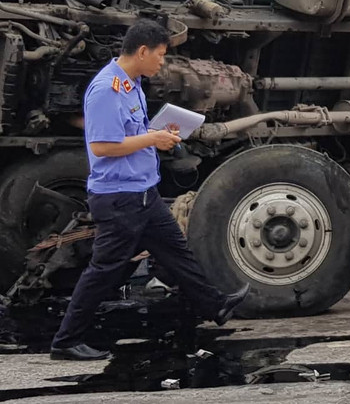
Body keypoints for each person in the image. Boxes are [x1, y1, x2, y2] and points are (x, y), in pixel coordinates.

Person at [50, 21, 248, 361]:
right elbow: (101, 146)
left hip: (143, 193)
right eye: (159, 55)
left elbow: (132, 135)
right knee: (104, 270)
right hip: (119, 198)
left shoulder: (133, 85)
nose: (161, 63)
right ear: (142, 51)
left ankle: (216, 305)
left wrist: (160, 134)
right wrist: (152, 139)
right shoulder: (107, 90)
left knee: (177, 253)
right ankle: (65, 341)